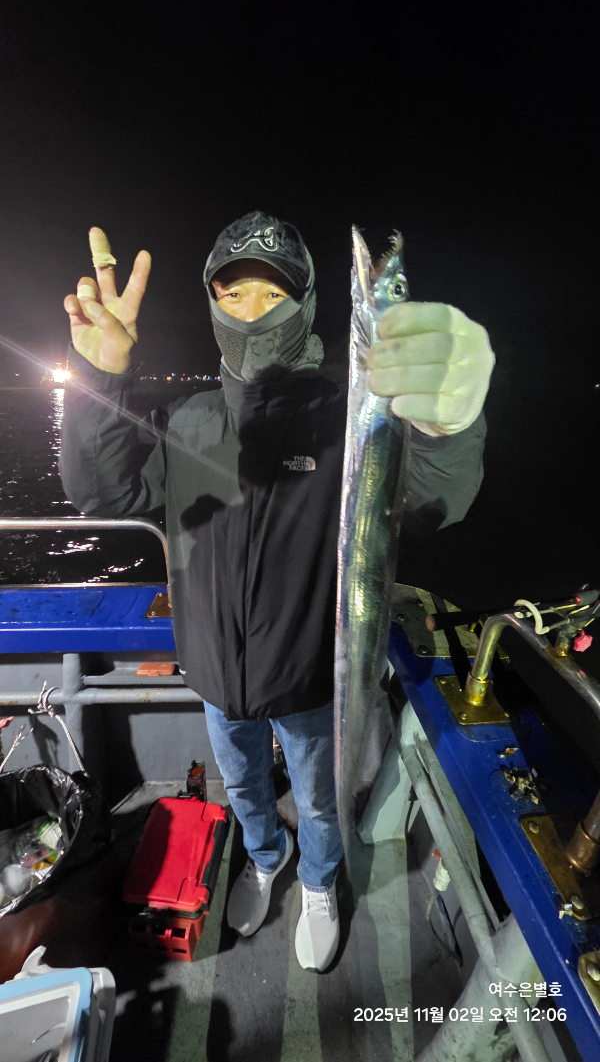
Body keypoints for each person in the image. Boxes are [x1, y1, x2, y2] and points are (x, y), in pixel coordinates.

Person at [60, 212, 494, 972]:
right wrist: (100, 382)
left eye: (272, 294)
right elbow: (103, 490)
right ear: (212, 304)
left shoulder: (346, 421)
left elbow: (432, 497)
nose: (252, 311)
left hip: (309, 681)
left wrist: (446, 424)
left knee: (321, 797)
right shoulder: (187, 420)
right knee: (241, 783)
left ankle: (320, 883)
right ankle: (266, 858)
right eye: (234, 294)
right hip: (213, 675)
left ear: (306, 305)